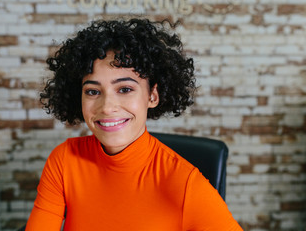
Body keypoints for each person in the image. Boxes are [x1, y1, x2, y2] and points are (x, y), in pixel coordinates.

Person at [26, 18, 243, 231]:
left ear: (152, 96)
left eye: (125, 89)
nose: (107, 107)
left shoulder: (186, 184)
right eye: (93, 91)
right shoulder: (64, 161)